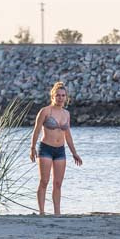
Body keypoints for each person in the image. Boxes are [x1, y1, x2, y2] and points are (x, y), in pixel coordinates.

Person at [30, 82, 83, 215]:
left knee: (58, 183)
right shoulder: (45, 111)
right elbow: (36, 131)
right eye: (58, 95)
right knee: (44, 181)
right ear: (53, 96)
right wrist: (32, 148)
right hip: (46, 149)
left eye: (63, 95)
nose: (60, 98)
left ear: (66, 97)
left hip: (60, 150)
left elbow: (68, 135)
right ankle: (41, 212)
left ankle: (57, 213)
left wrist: (74, 153)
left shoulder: (66, 114)